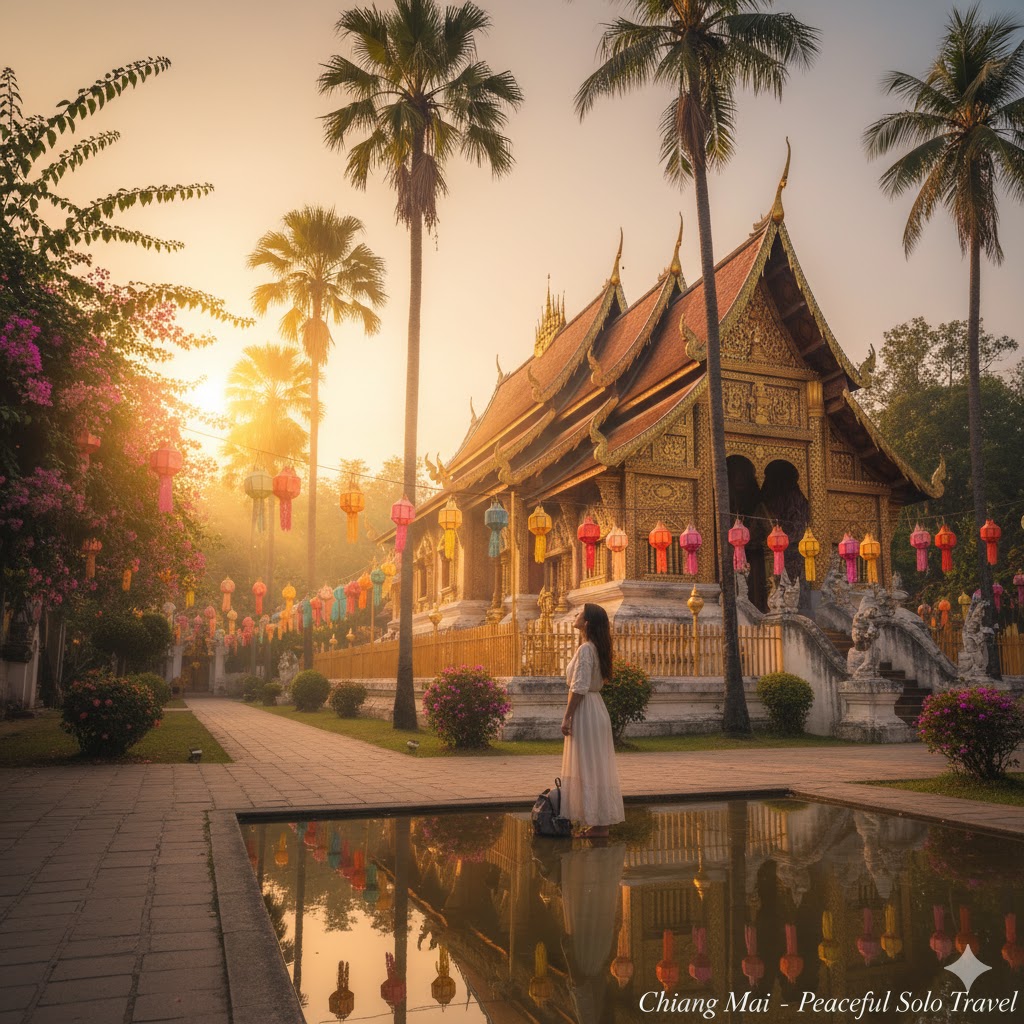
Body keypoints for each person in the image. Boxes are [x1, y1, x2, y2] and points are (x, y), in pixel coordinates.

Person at [560, 603, 625, 838]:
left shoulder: (587, 649)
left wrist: (567, 717)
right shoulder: (596, 647)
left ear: (586, 623)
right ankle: (600, 824)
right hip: (597, 708)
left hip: (586, 708)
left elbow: (578, 687)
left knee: (587, 765)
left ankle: (597, 822)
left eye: (579, 613)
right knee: (595, 765)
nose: (575, 615)